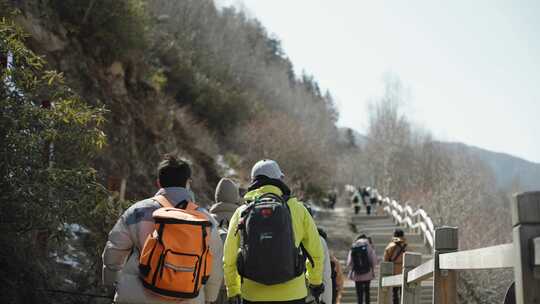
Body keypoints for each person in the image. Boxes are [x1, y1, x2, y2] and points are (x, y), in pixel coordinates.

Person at [102, 155, 223, 304]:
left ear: (159, 183)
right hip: (187, 297)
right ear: (187, 183)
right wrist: (210, 297)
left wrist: (111, 280)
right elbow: (215, 263)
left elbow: (114, 249)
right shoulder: (205, 220)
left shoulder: (138, 211)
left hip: (137, 295)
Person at [223, 159, 325, 304]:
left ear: (253, 181)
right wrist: (315, 282)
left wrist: (233, 290)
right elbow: (316, 253)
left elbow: (229, 258)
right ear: (278, 179)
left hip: (253, 295)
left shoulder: (242, 212)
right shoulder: (298, 209)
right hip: (293, 294)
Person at [210, 178, 241, 304]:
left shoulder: (207, 221)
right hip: (237, 289)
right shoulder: (244, 220)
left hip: (212, 289)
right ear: (236, 197)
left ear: (217, 197)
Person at [347, 234, 378, 304]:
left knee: (359, 293)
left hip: (357, 274)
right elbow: (373, 260)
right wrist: (372, 267)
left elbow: (349, 262)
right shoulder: (368, 245)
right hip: (367, 273)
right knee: (367, 292)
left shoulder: (354, 246)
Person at [383, 229, 408, 304]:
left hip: (393, 271)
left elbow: (385, 260)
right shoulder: (406, 246)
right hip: (404, 270)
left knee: (395, 292)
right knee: (403, 292)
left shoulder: (390, 246)